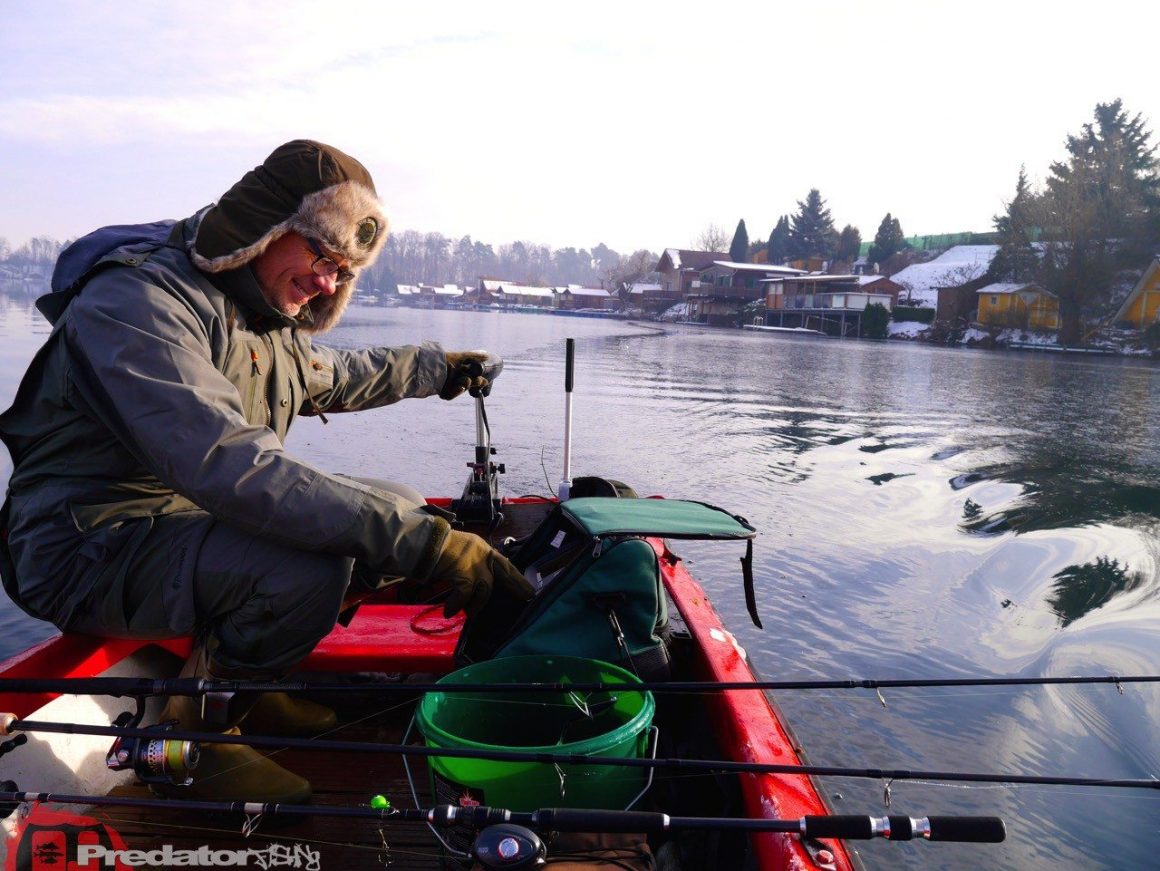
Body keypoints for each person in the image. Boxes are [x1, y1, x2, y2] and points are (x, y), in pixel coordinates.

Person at [0, 140, 533, 803]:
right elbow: (229, 464)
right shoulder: (137, 304)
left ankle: (252, 683)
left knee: (394, 501)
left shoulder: (258, 317)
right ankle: (193, 740)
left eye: (343, 271)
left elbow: (336, 373)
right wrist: (426, 542)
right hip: (80, 547)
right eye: (321, 258)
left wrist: (440, 368)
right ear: (264, 230)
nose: (328, 284)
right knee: (309, 564)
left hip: (169, 525)